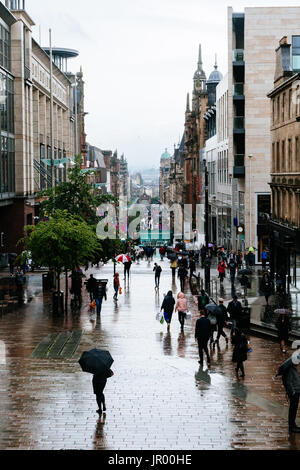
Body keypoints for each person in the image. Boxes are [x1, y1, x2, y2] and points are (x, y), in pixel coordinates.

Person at [277, 354, 300, 433]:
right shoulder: (290, 369)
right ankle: (291, 426)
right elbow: (288, 382)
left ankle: (293, 425)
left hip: (296, 391)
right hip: (294, 393)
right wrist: (292, 392)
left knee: (294, 409)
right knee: (293, 409)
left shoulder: (293, 368)